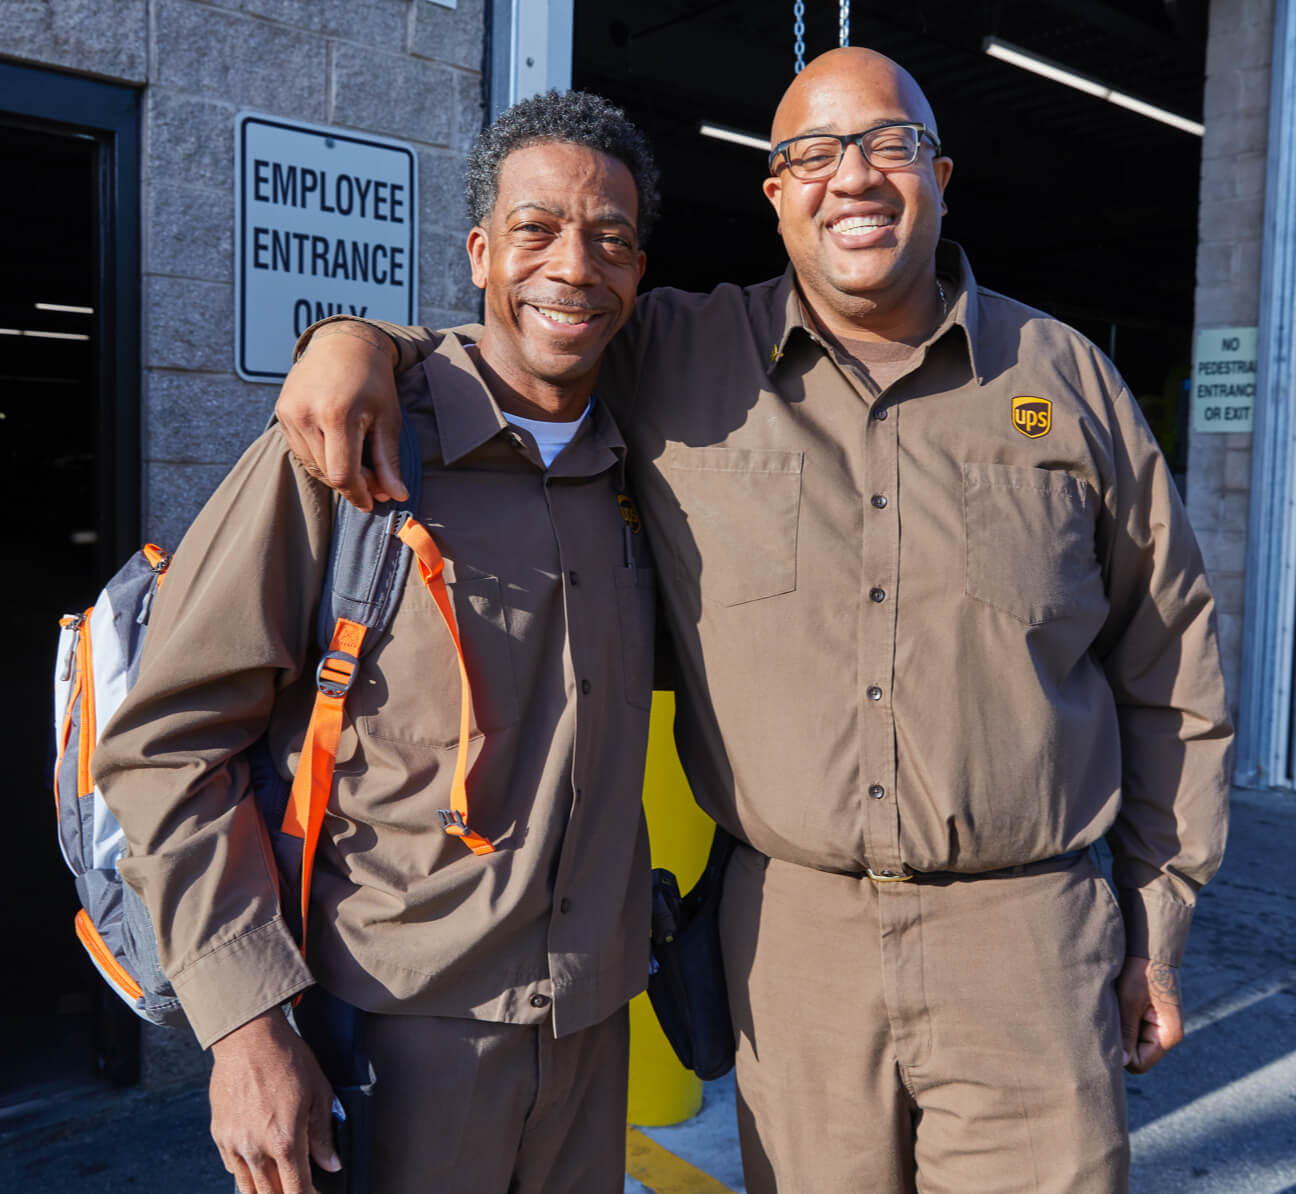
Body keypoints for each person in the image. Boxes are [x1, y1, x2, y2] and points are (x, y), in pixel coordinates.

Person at [276, 49, 1232, 1194]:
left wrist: (1155, 920)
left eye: (888, 145)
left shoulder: (1066, 383)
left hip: (1027, 943)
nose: (854, 179)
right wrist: (358, 342)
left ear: (940, 175)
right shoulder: (677, 355)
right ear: (773, 192)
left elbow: (1172, 664)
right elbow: (531, 324)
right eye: (813, 155)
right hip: (792, 946)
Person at [93, 90, 660, 1194]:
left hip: (593, 1034)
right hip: (395, 1047)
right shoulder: (349, 448)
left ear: (640, 272)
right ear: (480, 253)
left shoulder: (649, 456)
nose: (575, 264)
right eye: (537, 228)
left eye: (611, 238)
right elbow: (165, 746)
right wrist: (246, 1026)